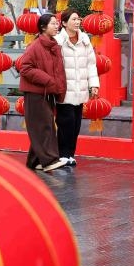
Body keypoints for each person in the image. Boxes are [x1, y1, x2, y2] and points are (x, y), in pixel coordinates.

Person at [18, 13, 69, 172]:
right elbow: (25, 68)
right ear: (43, 27)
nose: (57, 26)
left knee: (42, 125)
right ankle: (49, 161)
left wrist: (58, 88)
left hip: (47, 92)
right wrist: (47, 80)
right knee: (45, 125)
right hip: (35, 92)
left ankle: (35, 162)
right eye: (53, 24)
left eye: (57, 24)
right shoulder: (35, 46)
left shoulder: (53, 45)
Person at [55, 9, 100, 166]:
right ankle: (62, 154)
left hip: (80, 88)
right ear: (64, 23)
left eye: (78, 19)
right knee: (65, 122)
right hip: (64, 89)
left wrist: (94, 84)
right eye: (73, 19)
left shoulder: (85, 40)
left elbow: (91, 64)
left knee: (76, 124)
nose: (77, 22)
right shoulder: (57, 40)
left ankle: (70, 154)